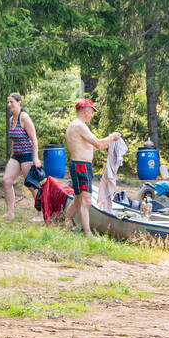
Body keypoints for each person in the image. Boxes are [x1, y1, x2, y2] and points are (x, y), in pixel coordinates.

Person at [62, 99, 121, 237]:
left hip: (79, 165)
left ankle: (66, 224)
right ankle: (88, 233)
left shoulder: (76, 125)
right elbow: (98, 144)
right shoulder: (79, 126)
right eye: (92, 112)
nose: (92, 115)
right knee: (86, 200)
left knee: (77, 198)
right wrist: (111, 137)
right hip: (81, 166)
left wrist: (109, 142)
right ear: (86, 110)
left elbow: (94, 146)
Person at [2, 92, 40, 219]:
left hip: (27, 155)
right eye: (7, 102)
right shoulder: (11, 119)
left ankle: (41, 214)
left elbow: (34, 139)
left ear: (19, 102)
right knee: (6, 181)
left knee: (31, 185)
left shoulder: (24, 117)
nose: (9, 105)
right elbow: (14, 140)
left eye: (11, 102)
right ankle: (10, 213)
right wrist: (11, 159)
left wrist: (35, 158)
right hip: (16, 155)